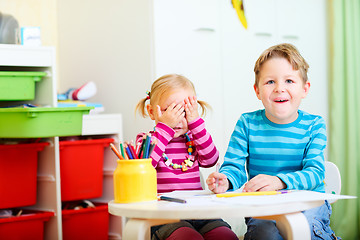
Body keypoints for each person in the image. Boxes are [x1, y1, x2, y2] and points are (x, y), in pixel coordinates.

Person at [206, 43, 340, 240]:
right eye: (270, 82)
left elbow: (315, 173)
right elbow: (233, 167)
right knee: (263, 233)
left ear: (304, 88)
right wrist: (226, 181)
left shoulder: (314, 125)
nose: (279, 89)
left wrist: (279, 181)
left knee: (307, 229)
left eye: (289, 81)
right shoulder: (247, 123)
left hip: (309, 204)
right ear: (257, 90)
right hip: (263, 207)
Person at [135, 74, 238, 240]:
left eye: (183, 112)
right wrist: (165, 128)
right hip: (164, 217)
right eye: (169, 111)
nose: (175, 118)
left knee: (226, 236)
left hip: (198, 212)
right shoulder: (146, 140)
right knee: (188, 237)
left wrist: (195, 123)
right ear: (152, 112)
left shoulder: (193, 139)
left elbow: (211, 159)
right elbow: (143, 166)